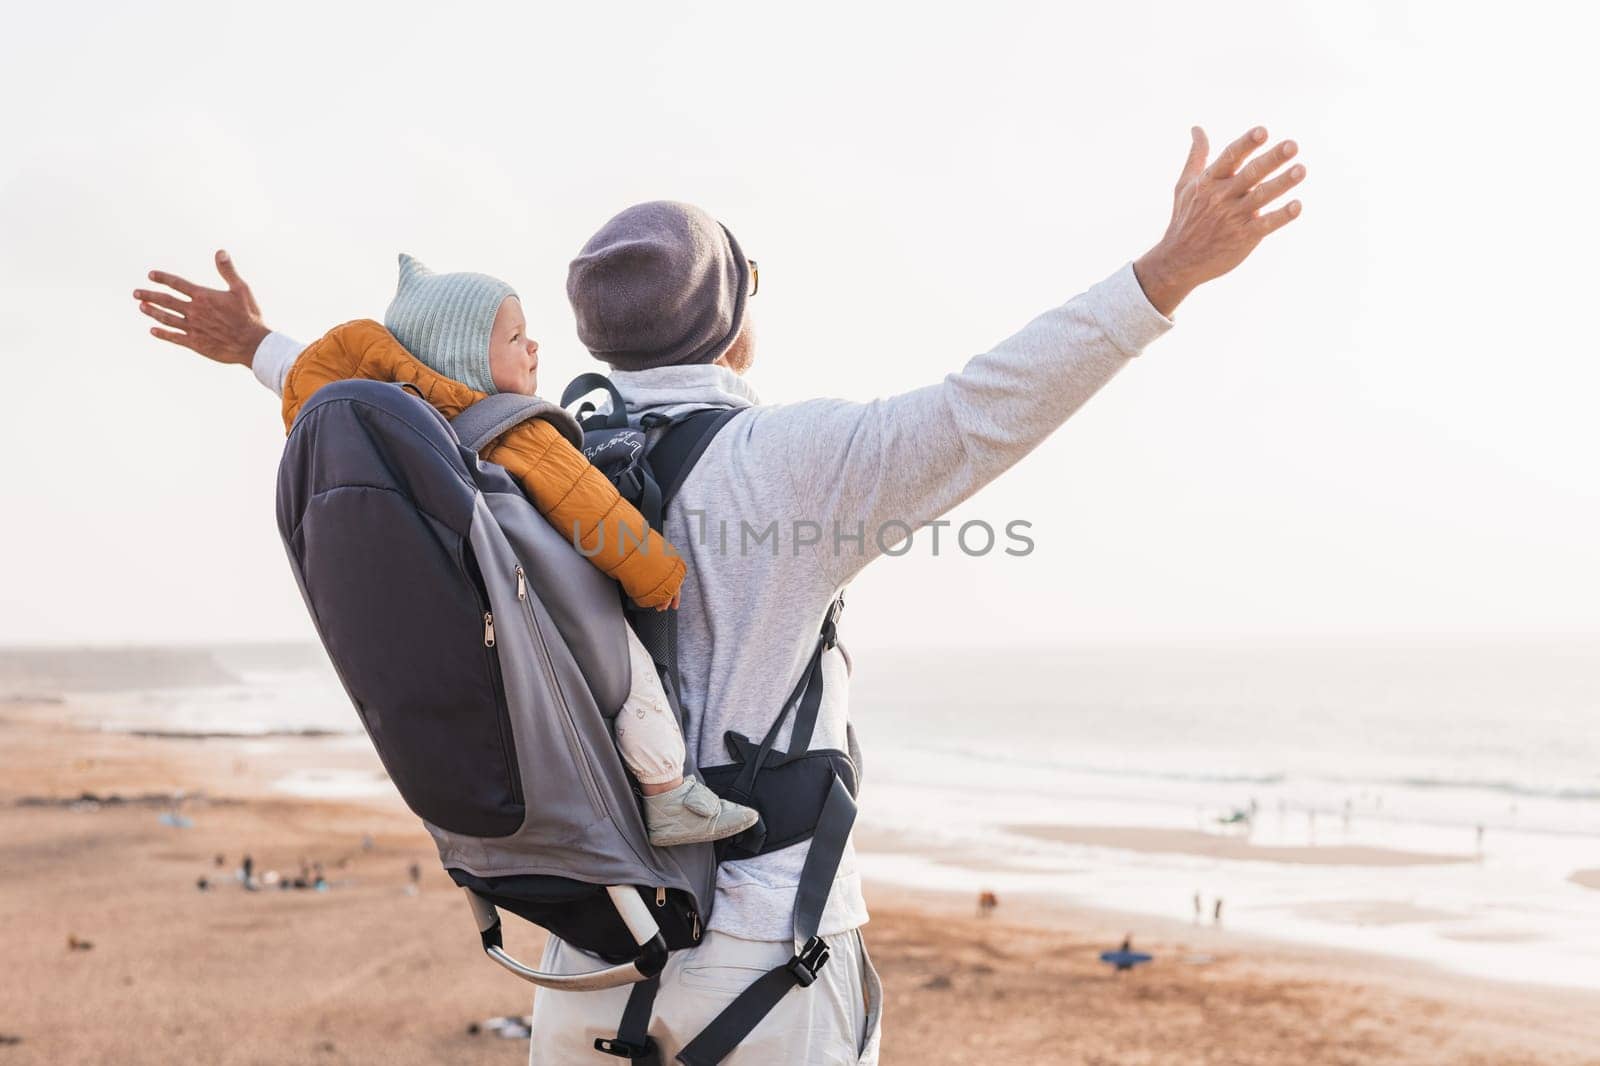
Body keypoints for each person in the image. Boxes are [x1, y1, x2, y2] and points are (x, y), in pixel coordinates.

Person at [136, 124, 1305, 1064]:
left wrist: (259, 347)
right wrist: (1163, 276)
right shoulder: (791, 462)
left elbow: (393, 395)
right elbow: (982, 408)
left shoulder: (505, 444)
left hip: (585, 947)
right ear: (732, 323)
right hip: (767, 950)